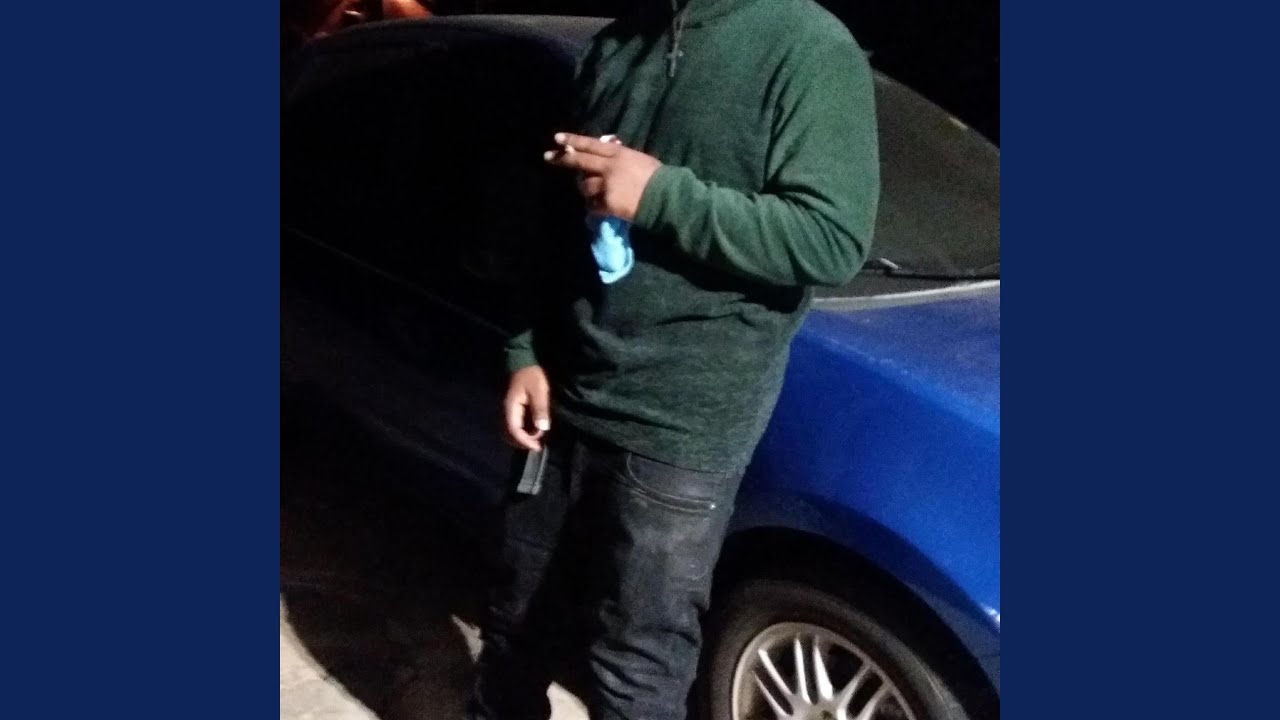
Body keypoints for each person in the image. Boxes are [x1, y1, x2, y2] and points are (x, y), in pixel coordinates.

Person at [468, 1, 880, 719]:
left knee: (636, 666)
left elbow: (831, 240)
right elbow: (551, 225)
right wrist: (525, 348)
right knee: (514, 621)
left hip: (682, 426)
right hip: (565, 398)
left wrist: (658, 194)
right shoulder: (617, 44)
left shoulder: (807, 45)